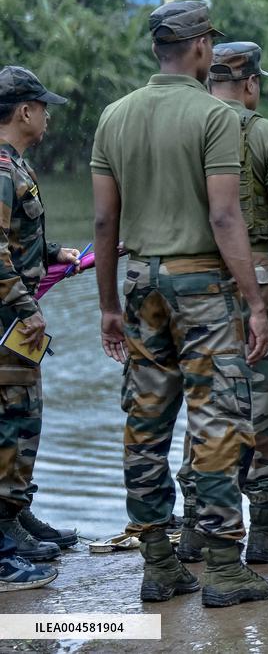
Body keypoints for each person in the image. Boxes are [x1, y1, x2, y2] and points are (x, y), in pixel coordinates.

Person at [92, 0, 268, 607]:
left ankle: (158, 564)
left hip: (139, 283)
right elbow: (225, 215)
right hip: (201, 284)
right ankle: (224, 568)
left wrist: (106, 308)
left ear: (157, 49)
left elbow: (103, 220)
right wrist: (255, 304)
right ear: (201, 47)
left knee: (145, 423)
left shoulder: (114, 116)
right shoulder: (215, 116)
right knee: (217, 419)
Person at [174, 41, 268, 566]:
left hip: (197, 280)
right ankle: (263, 528)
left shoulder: (185, 127)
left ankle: (196, 525)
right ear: (252, 83)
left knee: (208, 399)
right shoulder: (264, 134)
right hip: (262, 278)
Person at [0, 66, 81, 562]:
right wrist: (27, 308)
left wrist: (52, 254)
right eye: (43, 107)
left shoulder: (16, 166)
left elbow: (15, 239)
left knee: (23, 416)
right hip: (8, 319)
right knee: (12, 418)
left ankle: (16, 512)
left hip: (13, 318)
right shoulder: (2, 172)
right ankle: (5, 536)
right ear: (25, 111)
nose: (48, 116)